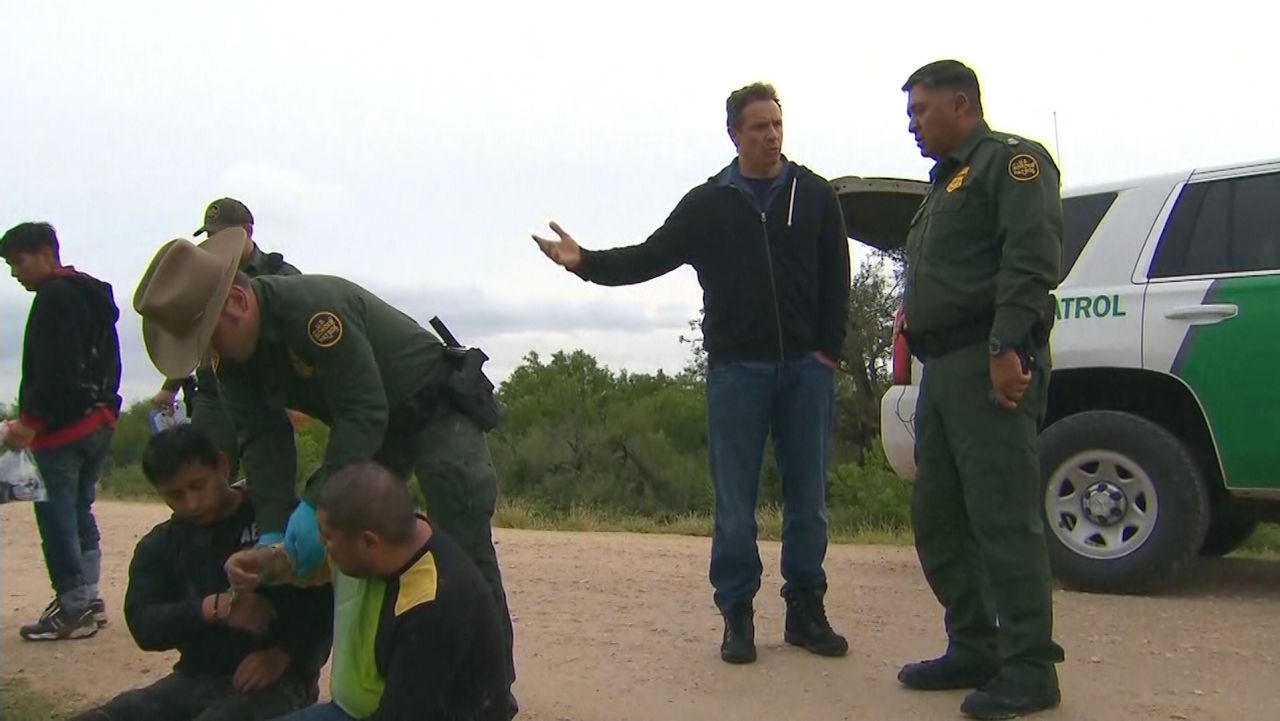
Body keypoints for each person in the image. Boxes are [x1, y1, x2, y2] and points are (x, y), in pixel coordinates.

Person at [132, 229, 517, 715]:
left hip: (433, 414)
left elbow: (363, 409)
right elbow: (263, 442)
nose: (212, 351)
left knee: (463, 554)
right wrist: (273, 531)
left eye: (209, 334)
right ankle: (399, 682)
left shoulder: (314, 312)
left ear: (236, 300)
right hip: (372, 433)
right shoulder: (230, 363)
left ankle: (490, 696)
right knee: (363, 551)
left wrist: (317, 501)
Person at [531, 82, 851, 665]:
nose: (772, 135)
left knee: (809, 498)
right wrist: (585, 264)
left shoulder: (815, 194)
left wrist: (829, 350)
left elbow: (838, 275)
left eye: (777, 124)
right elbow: (649, 256)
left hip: (807, 370)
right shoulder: (708, 204)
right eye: (759, 127)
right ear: (735, 134)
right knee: (736, 501)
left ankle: (807, 610)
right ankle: (738, 617)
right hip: (738, 371)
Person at [894, 59, 1065, 719]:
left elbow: (1029, 257)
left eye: (921, 111)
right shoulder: (943, 185)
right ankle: (975, 643)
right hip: (944, 371)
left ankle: (1030, 668)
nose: (912, 125)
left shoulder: (1012, 164)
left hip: (987, 359)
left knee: (1002, 517)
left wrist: (1006, 346)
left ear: (961, 103)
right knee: (937, 515)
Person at [67, 425, 333, 721]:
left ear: (222, 465)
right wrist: (212, 608)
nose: (191, 503)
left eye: (198, 486)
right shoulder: (161, 545)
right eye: (175, 495)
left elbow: (325, 601)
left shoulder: (279, 521)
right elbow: (144, 623)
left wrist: (284, 653)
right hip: (194, 676)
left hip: (279, 679)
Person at [225, 462, 510, 721]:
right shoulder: (386, 544)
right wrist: (266, 562)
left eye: (327, 538)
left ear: (368, 542)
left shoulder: (435, 606)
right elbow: (311, 564)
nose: (322, 545)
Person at [1, 221, 122, 641]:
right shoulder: (93, 297)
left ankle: (73, 606)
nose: (14, 272)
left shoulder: (54, 297)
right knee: (79, 509)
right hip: (100, 420)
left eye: (18, 262)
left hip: (62, 428)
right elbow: (108, 361)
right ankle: (89, 597)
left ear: (46, 254)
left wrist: (30, 422)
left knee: (56, 515)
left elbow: (55, 369)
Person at [150, 198, 300, 480]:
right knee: (205, 475)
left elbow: (296, 340)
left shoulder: (281, 274)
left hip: (267, 393)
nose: (213, 242)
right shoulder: (204, 276)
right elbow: (191, 333)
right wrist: (170, 386)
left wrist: (298, 396)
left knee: (270, 476)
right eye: (209, 235)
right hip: (213, 392)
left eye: (221, 234)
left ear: (247, 231)